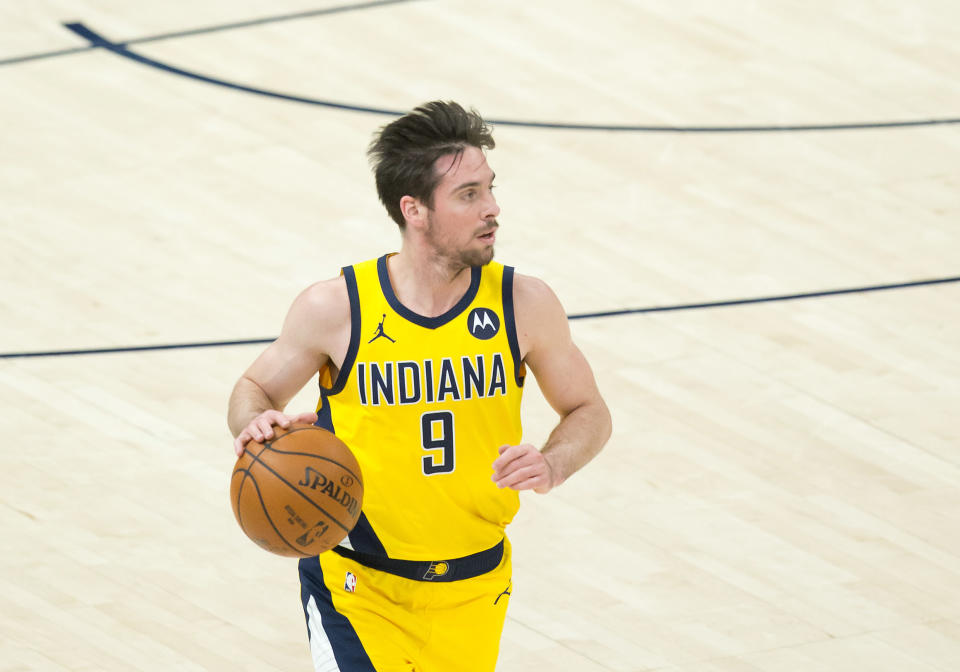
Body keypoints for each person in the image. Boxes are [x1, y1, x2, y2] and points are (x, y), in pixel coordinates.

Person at [227, 100, 612, 672]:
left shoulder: (523, 304)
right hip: (359, 589)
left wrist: (556, 462)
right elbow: (253, 389)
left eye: (489, 188)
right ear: (415, 210)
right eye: (469, 195)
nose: (493, 209)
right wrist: (255, 422)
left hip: (476, 585)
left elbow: (589, 411)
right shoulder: (338, 308)